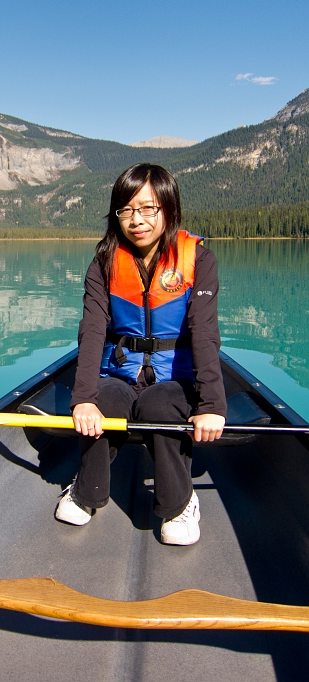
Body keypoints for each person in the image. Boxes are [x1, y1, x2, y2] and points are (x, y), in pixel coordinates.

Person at [56, 163, 226, 545]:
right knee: (102, 400)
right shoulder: (103, 263)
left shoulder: (199, 260)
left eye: (148, 208)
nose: (137, 220)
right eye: (127, 209)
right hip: (121, 373)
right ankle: (87, 491)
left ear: (168, 209)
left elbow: (204, 333)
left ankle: (180, 503)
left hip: (176, 379)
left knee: (159, 405)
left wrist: (212, 403)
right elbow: (92, 332)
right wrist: (83, 398)